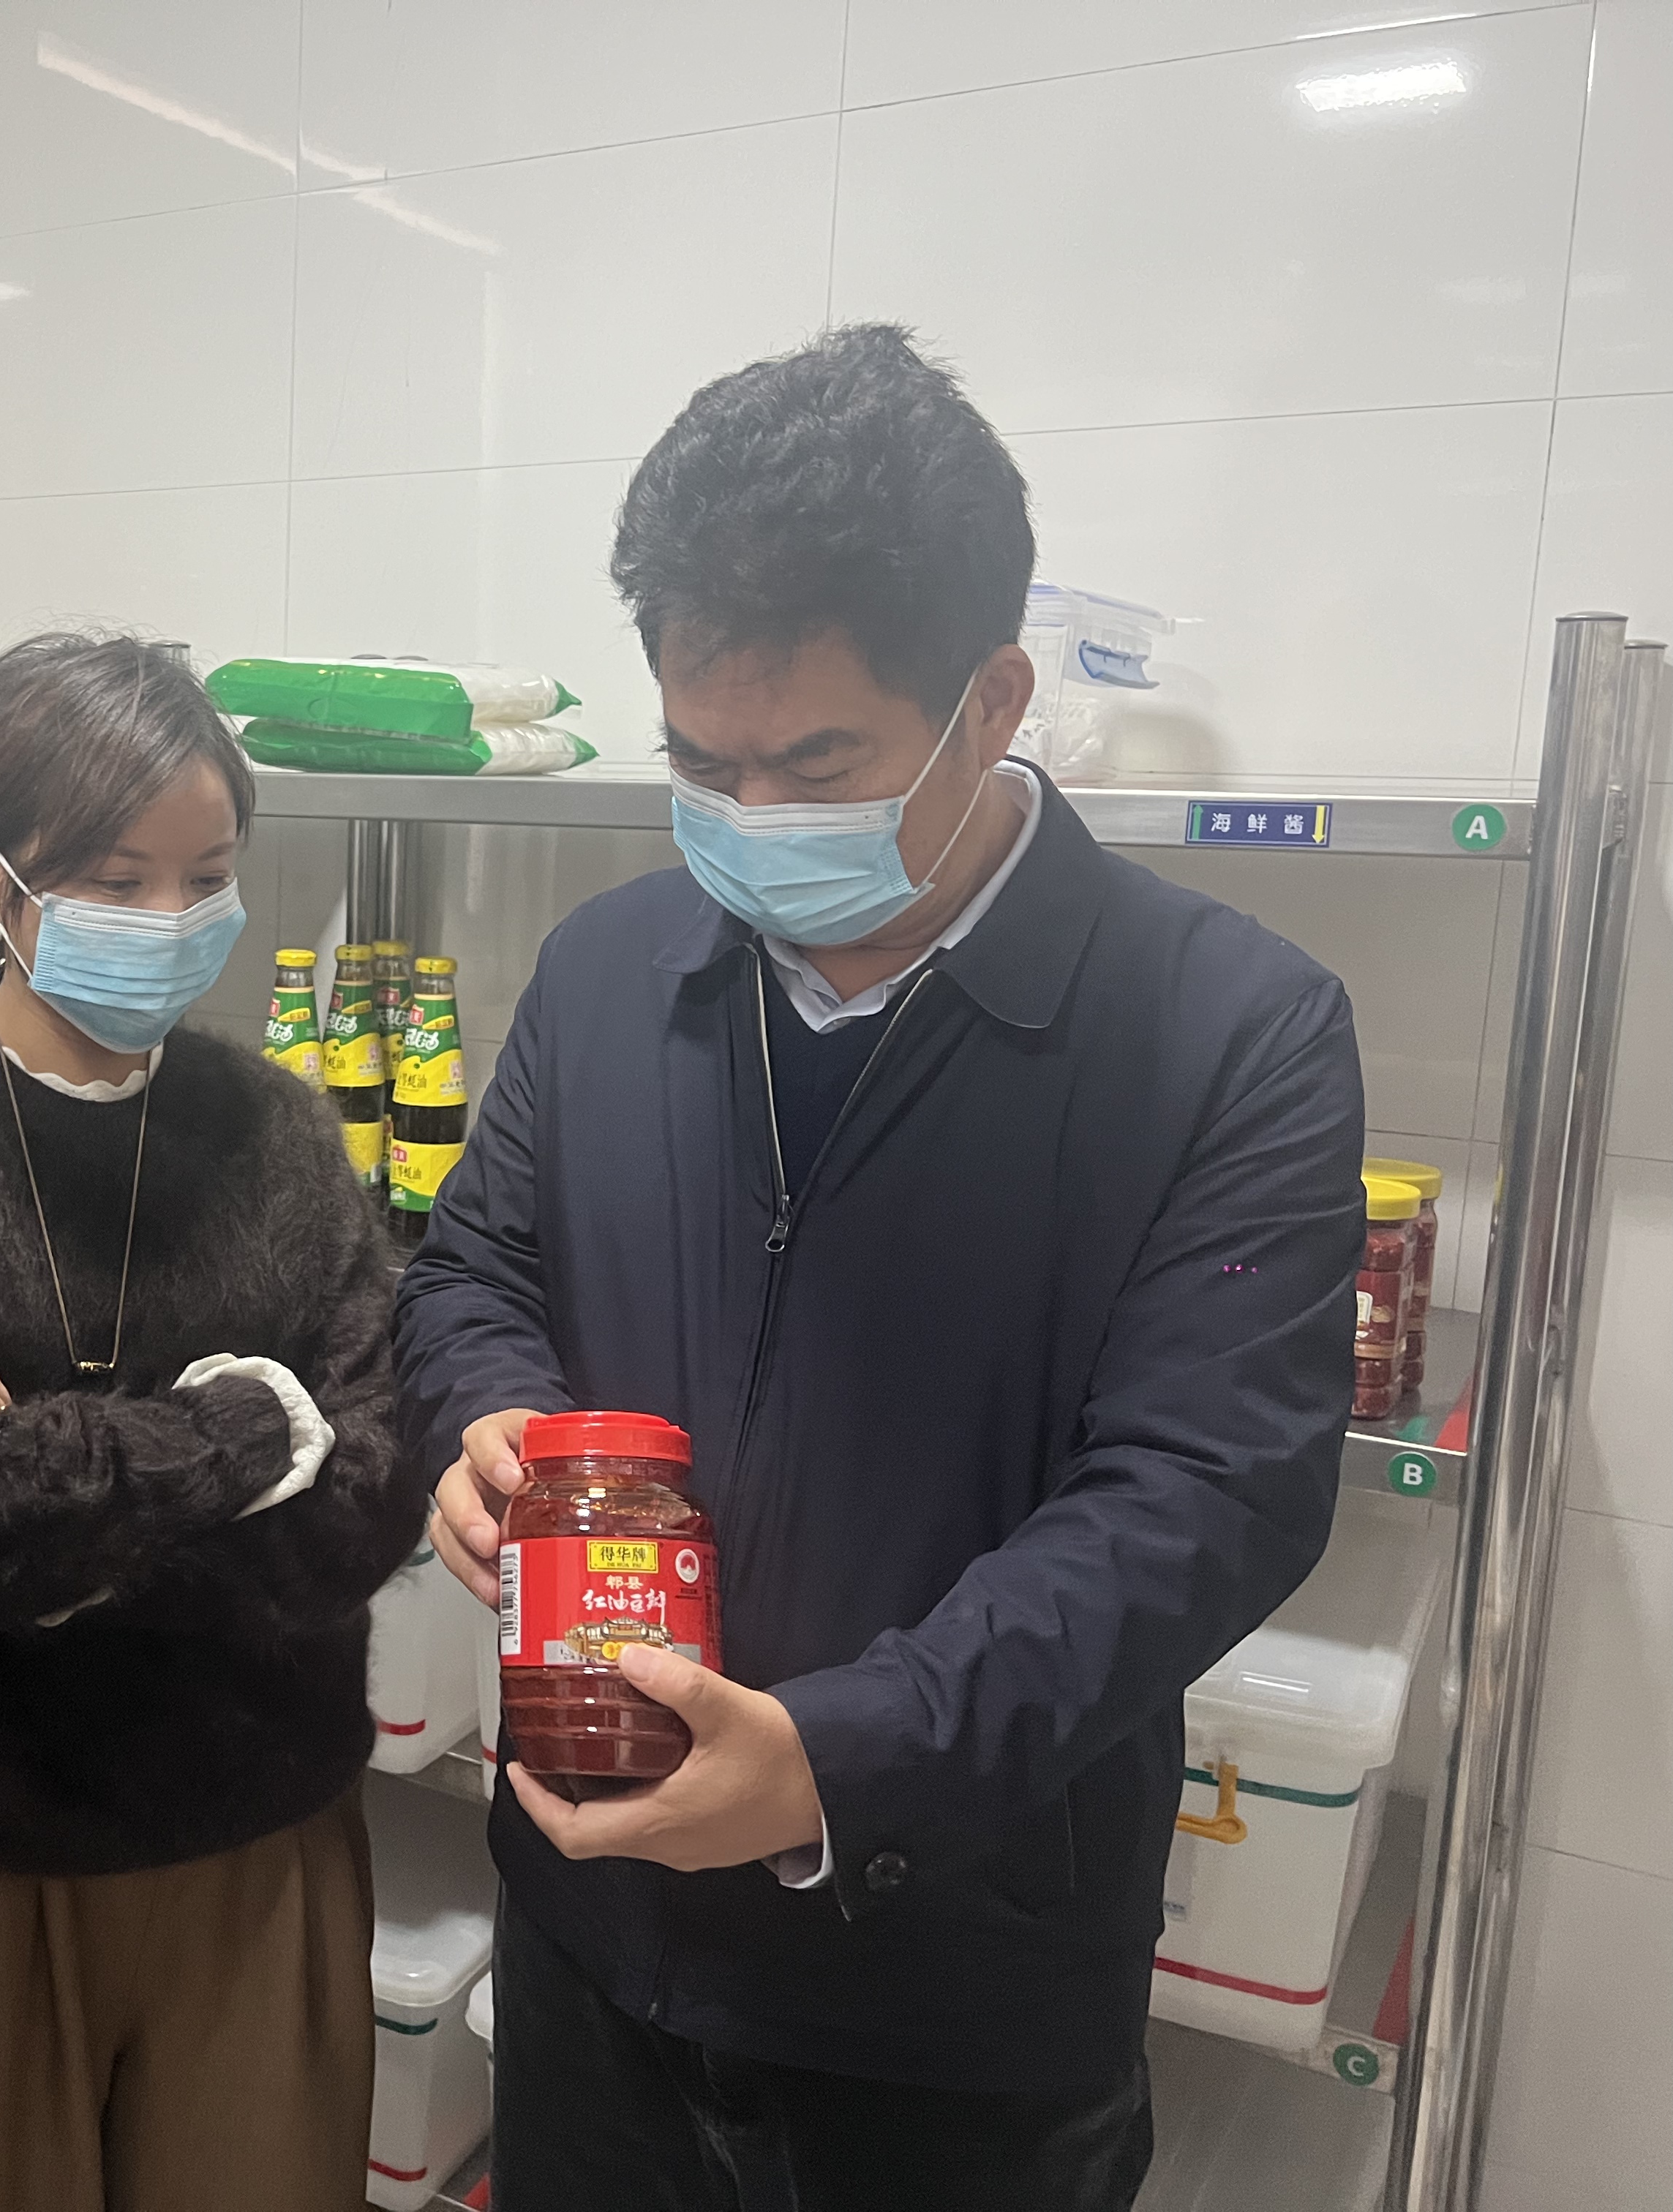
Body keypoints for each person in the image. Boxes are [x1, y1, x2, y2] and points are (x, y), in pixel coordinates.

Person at [396, 326, 1364, 2212]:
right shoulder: (609, 974)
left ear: (991, 700)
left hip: (954, 2010)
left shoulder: (1223, 1030)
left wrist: (837, 1761)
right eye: (702, 761)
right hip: (592, 1947)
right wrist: (489, 1416)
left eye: (817, 762)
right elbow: (473, 1269)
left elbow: (1204, 1498)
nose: (752, 817)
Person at [0, 635, 426, 2212]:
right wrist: (247, 1435)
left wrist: (47, 1497)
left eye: (210, 876)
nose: (172, 918)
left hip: (256, 1848)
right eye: (120, 881)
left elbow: (370, 1497)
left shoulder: (279, 1134)